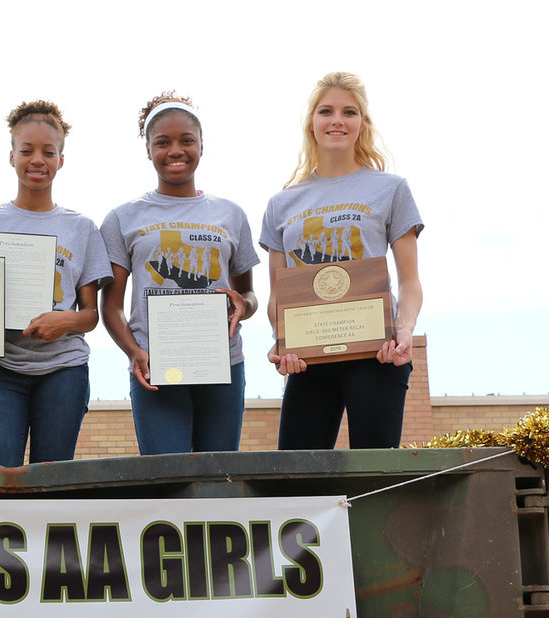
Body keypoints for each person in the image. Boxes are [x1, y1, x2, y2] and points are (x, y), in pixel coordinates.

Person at [262, 71, 423, 449]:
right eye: (326, 111)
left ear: (362, 123)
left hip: (377, 353)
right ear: (311, 123)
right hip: (309, 356)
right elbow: (277, 295)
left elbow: (410, 282)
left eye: (349, 112)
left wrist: (403, 331)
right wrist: (282, 341)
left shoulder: (391, 189)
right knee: (299, 475)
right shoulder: (282, 203)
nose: (337, 120)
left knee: (374, 475)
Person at [100, 93, 259, 455]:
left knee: (219, 479)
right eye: (163, 142)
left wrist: (242, 305)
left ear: (202, 145)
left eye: (187, 140)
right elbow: (111, 308)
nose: (176, 150)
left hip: (222, 366)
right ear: (148, 149)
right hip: (156, 367)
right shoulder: (123, 218)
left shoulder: (230, 214)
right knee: (166, 480)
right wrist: (134, 353)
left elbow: (248, 296)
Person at [0, 101, 111, 467]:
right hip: (0, 368)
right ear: (11, 156)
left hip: (64, 370)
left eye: (48, 151)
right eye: (26, 150)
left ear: (61, 160)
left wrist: (64, 321)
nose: (37, 159)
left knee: (51, 482)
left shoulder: (82, 228)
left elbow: (90, 315)